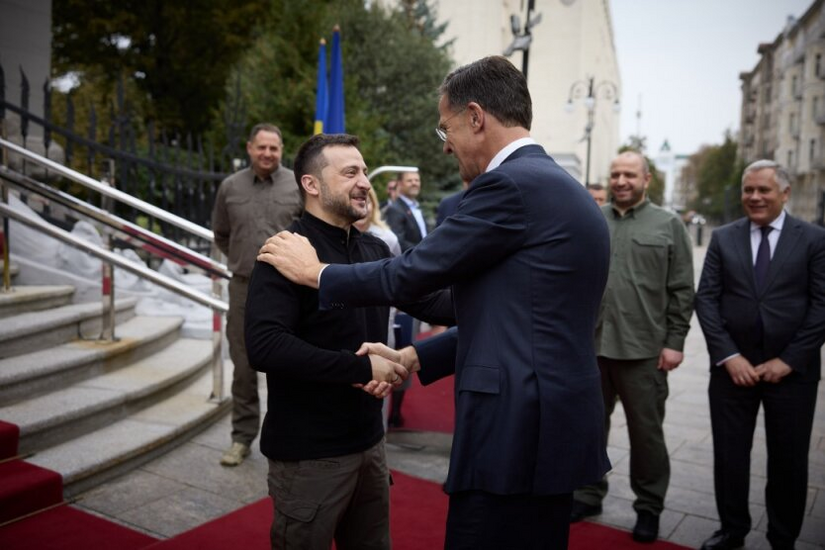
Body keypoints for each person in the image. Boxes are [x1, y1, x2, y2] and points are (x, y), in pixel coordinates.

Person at [257, 55, 611, 550]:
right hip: (548, 425)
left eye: (446, 130)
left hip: (515, 430)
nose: (445, 148)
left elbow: (413, 275)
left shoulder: (509, 184)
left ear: (475, 117)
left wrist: (318, 274)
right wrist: (417, 354)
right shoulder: (558, 187)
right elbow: (511, 317)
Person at [245, 133, 452, 550]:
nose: (365, 182)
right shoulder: (286, 251)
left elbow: (436, 303)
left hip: (370, 447)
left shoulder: (375, 248)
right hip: (309, 455)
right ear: (312, 185)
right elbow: (265, 346)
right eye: (350, 172)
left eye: (364, 171)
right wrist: (359, 369)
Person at [694, 160, 825, 550]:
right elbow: (707, 300)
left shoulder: (814, 239)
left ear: (784, 193)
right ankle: (732, 530)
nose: (754, 197)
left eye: (763, 190)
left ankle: (782, 537)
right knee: (730, 455)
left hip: (792, 373)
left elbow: (821, 305)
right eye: (748, 190)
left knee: (789, 460)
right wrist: (728, 356)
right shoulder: (723, 237)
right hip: (733, 372)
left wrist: (789, 360)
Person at [571, 151, 694, 543]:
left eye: (629, 174)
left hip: (644, 351)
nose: (621, 180)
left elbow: (682, 290)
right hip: (591, 348)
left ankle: (649, 507)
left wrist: (674, 343)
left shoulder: (669, 224)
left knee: (646, 435)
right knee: (588, 428)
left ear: (647, 179)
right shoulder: (592, 219)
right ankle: (588, 493)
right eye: (615, 174)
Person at [211, 123, 302, 466]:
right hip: (244, 287)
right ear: (250, 148)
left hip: (289, 286)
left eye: (273, 148)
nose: (267, 154)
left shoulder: (297, 184)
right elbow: (221, 233)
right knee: (244, 366)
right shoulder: (229, 187)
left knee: (292, 363)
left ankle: (291, 435)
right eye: (261, 147)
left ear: (281, 150)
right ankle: (242, 438)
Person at [384, 171, 427, 251]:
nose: (414, 183)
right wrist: (424, 251)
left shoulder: (417, 207)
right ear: (400, 184)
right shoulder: (395, 209)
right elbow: (398, 241)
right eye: (409, 181)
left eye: (417, 180)